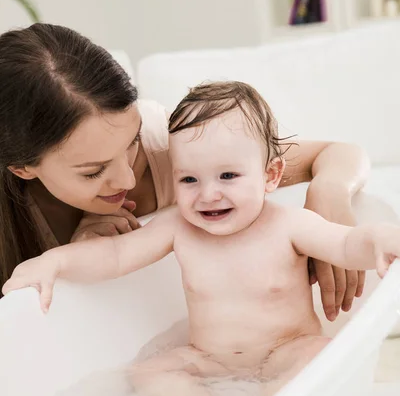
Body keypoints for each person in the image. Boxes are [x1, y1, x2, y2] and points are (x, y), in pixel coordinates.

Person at [3, 81, 397, 396]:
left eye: (228, 175)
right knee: (148, 372)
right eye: (189, 180)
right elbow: (115, 256)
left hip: (287, 347)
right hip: (206, 356)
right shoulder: (176, 228)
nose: (209, 194)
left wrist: (377, 238)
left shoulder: (290, 225)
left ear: (271, 174)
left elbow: (346, 244)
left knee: (320, 353)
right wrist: (54, 261)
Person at [0, 24, 370, 321]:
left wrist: (328, 193)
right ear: (22, 167)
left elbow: (338, 152)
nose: (128, 180)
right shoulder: (13, 212)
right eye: (93, 172)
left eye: (131, 142)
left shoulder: (171, 147)